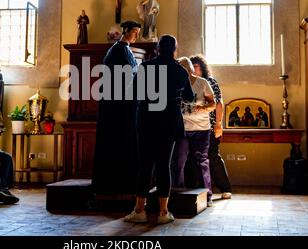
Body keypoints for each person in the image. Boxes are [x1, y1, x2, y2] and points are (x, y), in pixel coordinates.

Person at [124, 35, 195, 225]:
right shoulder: (180, 70)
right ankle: (164, 212)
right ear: (175, 50)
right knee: (164, 165)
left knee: (145, 165)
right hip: (169, 122)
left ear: (157, 49)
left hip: (147, 120)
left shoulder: (145, 67)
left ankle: (139, 210)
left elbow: (132, 92)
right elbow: (190, 97)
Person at [91, 20, 141, 195]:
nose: (137, 35)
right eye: (135, 31)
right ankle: (116, 183)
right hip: (116, 105)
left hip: (121, 103)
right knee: (117, 142)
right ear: (126, 31)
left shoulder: (124, 49)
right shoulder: (119, 50)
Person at [171, 57, 216, 207]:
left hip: (201, 129)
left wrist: (203, 108)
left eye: (186, 69)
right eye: (180, 69)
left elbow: (213, 104)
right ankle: (178, 192)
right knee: (179, 161)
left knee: (202, 161)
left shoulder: (202, 83)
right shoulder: (176, 83)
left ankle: (208, 195)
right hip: (182, 129)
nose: (183, 72)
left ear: (191, 69)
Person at [190, 55, 232, 200]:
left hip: (210, 126)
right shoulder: (189, 82)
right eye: (191, 66)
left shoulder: (210, 82)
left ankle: (225, 188)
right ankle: (199, 191)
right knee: (195, 159)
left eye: (195, 66)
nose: (193, 69)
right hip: (193, 127)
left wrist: (218, 125)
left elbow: (219, 103)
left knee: (212, 156)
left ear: (202, 68)